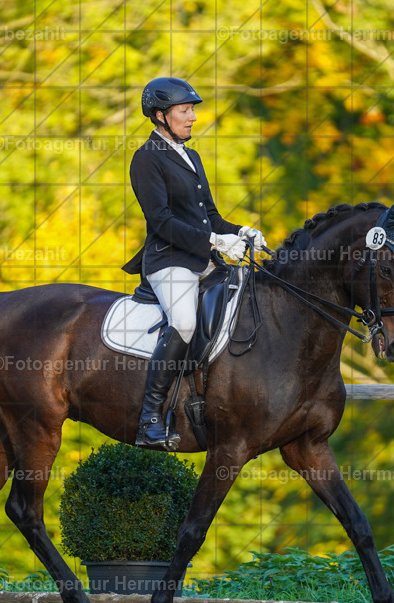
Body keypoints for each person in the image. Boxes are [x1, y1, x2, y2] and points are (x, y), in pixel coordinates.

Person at [123, 77, 266, 450]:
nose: (192, 118)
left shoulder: (192, 156)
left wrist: (242, 231)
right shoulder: (146, 159)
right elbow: (162, 221)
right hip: (168, 260)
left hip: (201, 257)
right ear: (160, 115)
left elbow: (211, 217)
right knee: (184, 322)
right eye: (185, 111)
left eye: (192, 110)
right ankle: (150, 417)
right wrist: (215, 242)